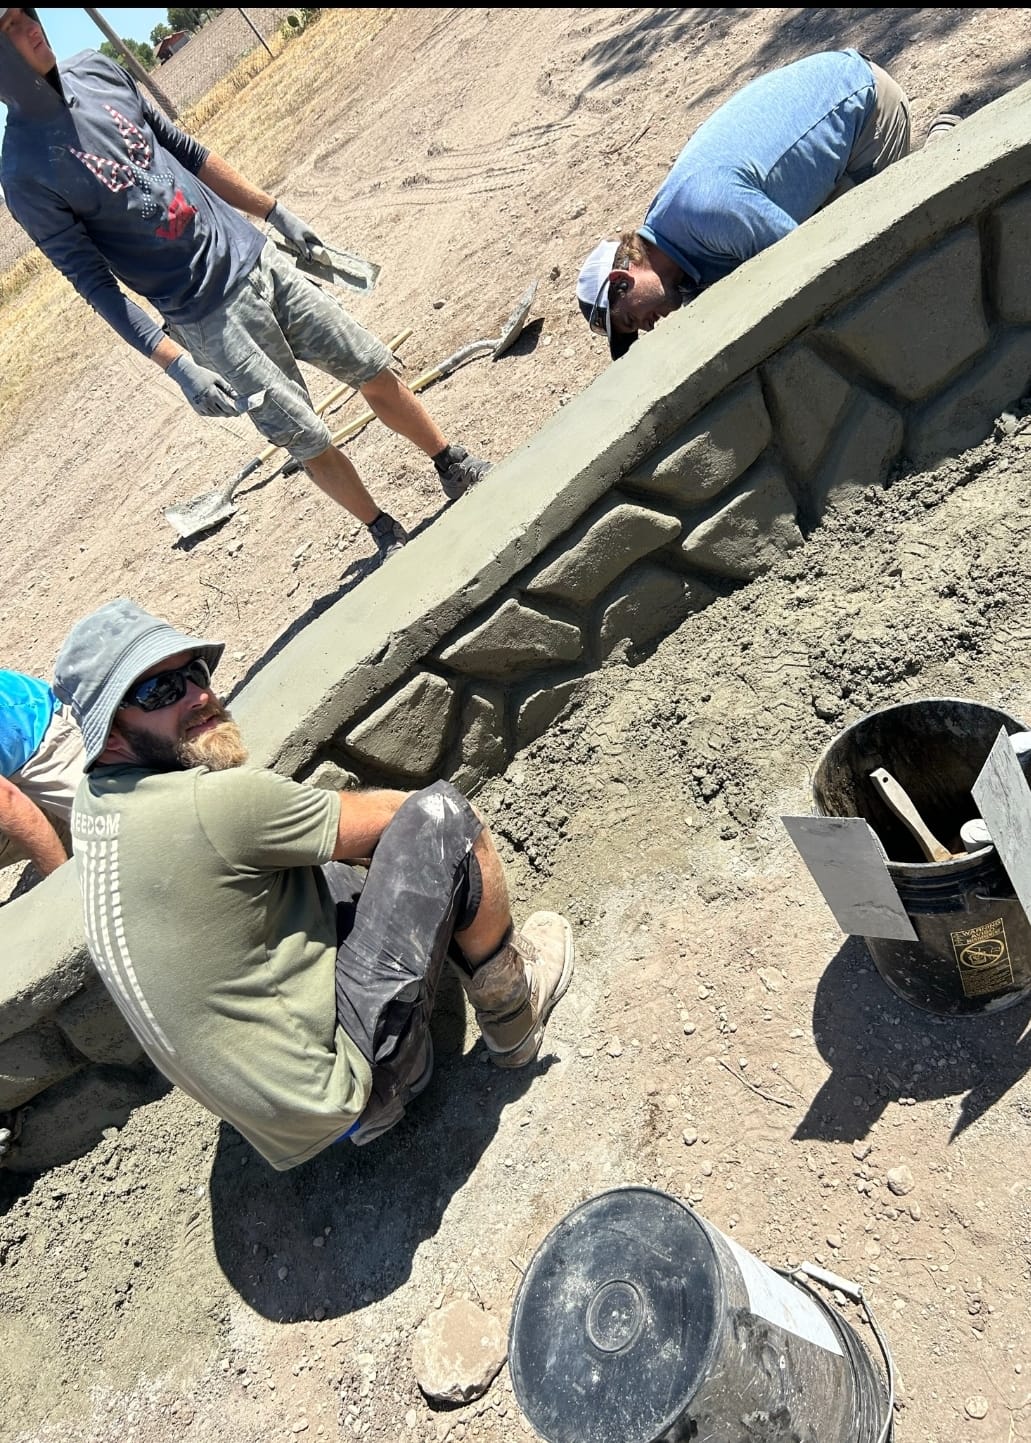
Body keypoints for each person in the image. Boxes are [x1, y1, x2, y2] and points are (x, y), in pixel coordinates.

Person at [52, 599, 575, 1170]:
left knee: (312, 868)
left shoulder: (94, 806)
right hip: (336, 1094)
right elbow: (405, 818)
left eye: (193, 673)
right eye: (157, 692)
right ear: (111, 733)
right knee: (445, 820)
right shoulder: (211, 804)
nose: (198, 696)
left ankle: (396, 1075)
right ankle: (511, 1016)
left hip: (277, 1124)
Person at [0, 8, 490, 563]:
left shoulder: (97, 70)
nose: (31, 30)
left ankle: (452, 462)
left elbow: (182, 149)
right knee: (306, 436)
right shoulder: (23, 172)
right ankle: (384, 532)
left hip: (258, 261)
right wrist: (178, 366)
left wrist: (273, 211)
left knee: (371, 366)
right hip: (208, 320)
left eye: (27, 15)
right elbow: (95, 286)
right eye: (9, 29)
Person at [577, 48, 957, 360]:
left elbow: (812, 263)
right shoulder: (676, 247)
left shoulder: (704, 211)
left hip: (864, 109)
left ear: (622, 280)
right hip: (841, 105)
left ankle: (945, 152)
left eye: (630, 319)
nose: (647, 327)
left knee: (874, 246)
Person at [0, 668, 85, 877]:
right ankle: (56, 826)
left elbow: (9, 802)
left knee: (126, 825)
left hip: (34, 735)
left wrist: (60, 890)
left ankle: (55, 823)